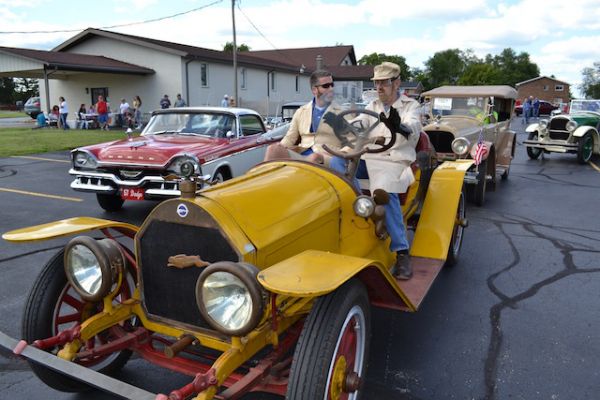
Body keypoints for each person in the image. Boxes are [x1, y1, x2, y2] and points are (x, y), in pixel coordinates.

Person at [329, 62, 422, 280]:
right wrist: (345, 127)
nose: (379, 87)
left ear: (397, 82)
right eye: (377, 83)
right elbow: (359, 124)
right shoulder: (372, 106)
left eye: (384, 83)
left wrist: (401, 126)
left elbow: (414, 126)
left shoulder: (411, 106)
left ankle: (402, 252)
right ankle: (362, 205)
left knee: (384, 186)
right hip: (370, 156)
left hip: (395, 160)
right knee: (336, 163)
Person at [263, 69, 343, 166]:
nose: (331, 89)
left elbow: (353, 144)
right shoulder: (301, 112)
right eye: (326, 86)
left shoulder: (343, 113)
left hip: (327, 157)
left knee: (314, 158)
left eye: (332, 85)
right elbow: (290, 138)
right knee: (272, 149)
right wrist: (281, 146)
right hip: (303, 155)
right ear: (314, 90)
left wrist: (340, 157)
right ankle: (260, 179)